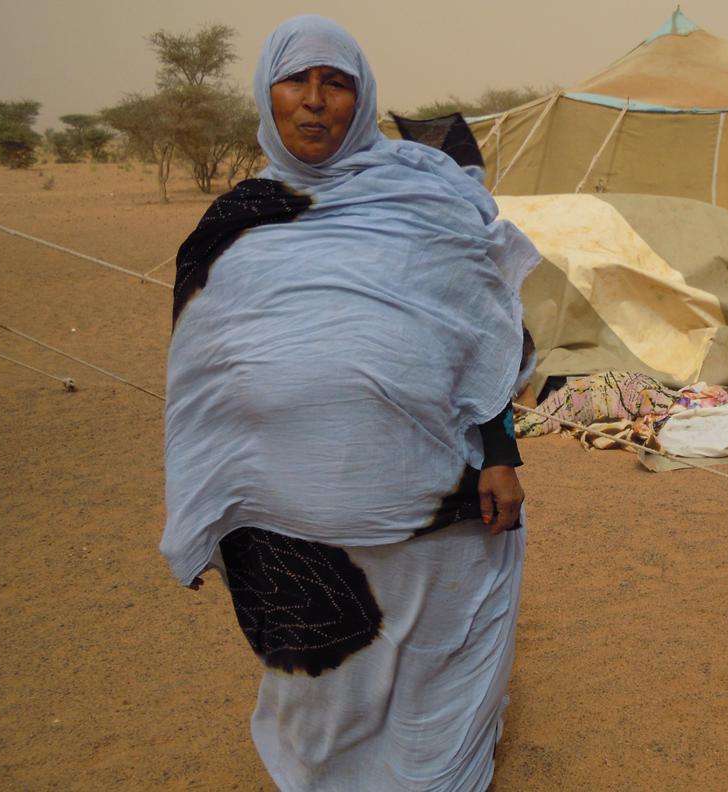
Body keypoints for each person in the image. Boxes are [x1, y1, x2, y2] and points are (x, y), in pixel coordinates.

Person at [159, 15, 540, 791]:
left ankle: (441, 773)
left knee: (439, 647)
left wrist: (500, 453)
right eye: (295, 81)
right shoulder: (234, 223)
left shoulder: (425, 199)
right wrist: (202, 501)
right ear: (267, 96)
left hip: (434, 494)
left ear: (361, 99)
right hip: (291, 514)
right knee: (324, 667)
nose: (314, 101)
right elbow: (200, 383)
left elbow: (487, 331)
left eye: (336, 83)